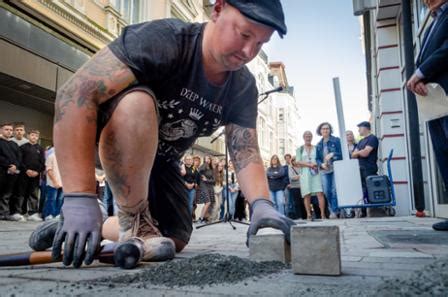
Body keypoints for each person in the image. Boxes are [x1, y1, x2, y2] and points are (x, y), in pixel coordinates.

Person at [30, 0, 294, 268]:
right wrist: (79, 197)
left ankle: (85, 227)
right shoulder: (165, 41)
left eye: (260, 43)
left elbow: (245, 151)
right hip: (111, 139)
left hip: (162, 161)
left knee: (173, 238)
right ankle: (122, 220)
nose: (249, 51)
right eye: (245, 34)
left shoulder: (242, 86)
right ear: (217, 10)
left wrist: (261, 204)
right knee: (137, 104)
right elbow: (75, 94)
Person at [406, 0, 448, 231]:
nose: (424, 1)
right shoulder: (434, 21)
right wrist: (420, 78)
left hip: (446, 93)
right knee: (443, 153)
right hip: (435, 100)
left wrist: (421, 73)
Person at [16, 129, 45, 221]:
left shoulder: (40, 149)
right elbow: (20, 161)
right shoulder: (22, 147)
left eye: (36, 136)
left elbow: (42, 163)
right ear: (28, 136)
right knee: (22, 193)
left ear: (38, 137)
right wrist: (26, 170)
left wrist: (37, 171)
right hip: (24, 174)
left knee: (33, 194)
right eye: (32, 135)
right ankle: (21, 212)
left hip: (35, 175)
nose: (34, 137)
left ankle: (33, 213)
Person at [296, 131, 326, 220]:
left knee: (320, 192)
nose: (308, 137)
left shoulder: (316, 148)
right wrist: (309, 165)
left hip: (316, 171)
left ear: (312, 137)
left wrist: (316, 164)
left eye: (309, 135)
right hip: (305, 173)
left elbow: (320, 159)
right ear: (303, 137)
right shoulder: (300, 149)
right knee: (307, 194)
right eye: (306, 135)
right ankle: (309, 214)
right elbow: (297, 162)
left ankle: (323, 214)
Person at [315, 122, 342, 219]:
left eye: (327, 128)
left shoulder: (336, 140)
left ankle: (334, 211)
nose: (325, 130)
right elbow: (317, 159)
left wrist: (333, 154)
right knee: (326, 191)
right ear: (320, 131)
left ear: (330, 130)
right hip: (324, 170)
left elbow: (342, 153)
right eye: (323, 129)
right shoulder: (318, 144)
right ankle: (335, 209)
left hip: (335, 168)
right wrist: (321, 164)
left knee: (334, 190)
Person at [352, 121, 379, 209]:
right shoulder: (360, 141)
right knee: (362, 189)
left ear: (365, 128)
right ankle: (365, 208)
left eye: (360, 127)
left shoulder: (372, 138)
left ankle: (373, 208)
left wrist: (358, 152)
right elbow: (353, 155)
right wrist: (360, 152)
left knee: (370, 188)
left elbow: (365, 153)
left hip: (369, 168)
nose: (358, 130)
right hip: (360, 168)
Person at [0, 123, 23, 221]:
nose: (9, 131)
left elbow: (19, 157)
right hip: (2, 171)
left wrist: (15, 166)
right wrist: (9, 165)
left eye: (10, 130)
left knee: (8, 194)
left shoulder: (14, 144)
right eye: (6, 129)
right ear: (1, 130)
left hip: (13, 173)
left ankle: (5, 213)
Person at [43, 149, 63, 220]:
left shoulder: (65, 158)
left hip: (62, 184)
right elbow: (49, 170)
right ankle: (49, 215)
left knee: (60, 200)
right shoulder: (51, 156)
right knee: (51, 199)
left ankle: (57, 215)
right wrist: (55, 182)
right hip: (52, 183)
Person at [197, 156, 215, 223]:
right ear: (204, 160)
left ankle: (204, 217)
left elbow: (214, 181)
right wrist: (205, 163)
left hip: (210, 187)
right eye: (206, 158)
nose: (208, 160)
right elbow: (199, 171)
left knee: (209, 203)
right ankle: (200, 218)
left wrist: (207, 180)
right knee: (208, 202)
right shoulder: (202, 167)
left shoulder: (211, 169)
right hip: (203, 186)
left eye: (209, 159)